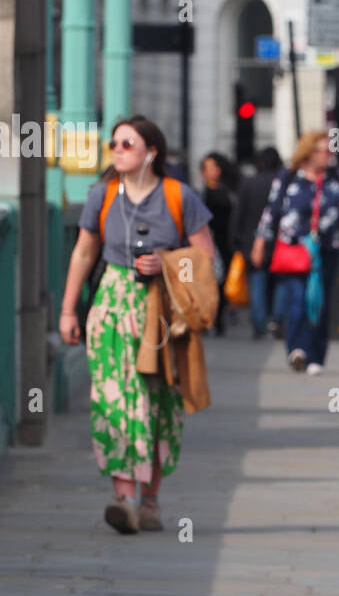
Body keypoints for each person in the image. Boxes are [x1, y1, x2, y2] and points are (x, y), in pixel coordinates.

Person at [59, 115, 216, 535]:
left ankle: (151, 500)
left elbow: (204, 261)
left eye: (127, 144)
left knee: (158, 403)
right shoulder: (102, 195)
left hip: (162, 313)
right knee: (112, 400)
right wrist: (68, 310)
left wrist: (165, 263)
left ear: (151, 152)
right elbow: (82, 254)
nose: (117, 150)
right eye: (114, 143)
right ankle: (123, 498)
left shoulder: (178, 196)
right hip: (111, 305)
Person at [250, 131, 339, 374]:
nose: (328, 156)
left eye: (330, 151)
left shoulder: (336, 176)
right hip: (294, 247)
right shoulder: (288, 176)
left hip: (326, 249)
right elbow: (272, 210)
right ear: (309, 152)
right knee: (296, 300)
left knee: (319, 301)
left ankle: (316, 355)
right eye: (323, 151)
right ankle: (297, 350)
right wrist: (259, 243)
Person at [231, 146, 283, 338]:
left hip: (252, 242)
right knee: (279, 284)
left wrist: (236, 240)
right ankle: (275, 319)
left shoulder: (249, 183)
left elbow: (239, 214)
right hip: (279, 243)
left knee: (258, 284)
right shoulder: (283, 183)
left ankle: (260, 324)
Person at [200, 151, 238, 336]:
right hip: (204, 243)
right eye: (208, 168)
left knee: (222, 283)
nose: (212, 172)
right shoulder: (199, 193)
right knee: (205, 282)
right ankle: (207, 318)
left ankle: (219, 318)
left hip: (224, 243)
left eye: (215, 167)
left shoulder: (228, 193)